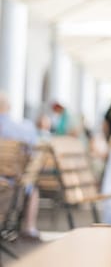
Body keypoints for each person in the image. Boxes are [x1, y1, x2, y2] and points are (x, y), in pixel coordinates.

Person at [0, 91, 40, 240]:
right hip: (11, 190)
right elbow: (33, 153)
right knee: (32, 186)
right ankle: (29, 227)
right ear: (9, 107)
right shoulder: (24, 128)